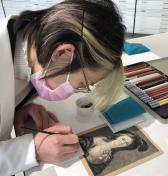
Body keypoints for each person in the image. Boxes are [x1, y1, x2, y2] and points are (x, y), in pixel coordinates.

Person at [0, 0, 125, 175]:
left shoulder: (31, 47)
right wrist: (31, 151)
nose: (76, 91)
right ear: (63, 53)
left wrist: (16, 108)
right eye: (82, 84)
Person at [79, 130, 148, 175]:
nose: (122, 142)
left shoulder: (110, 156)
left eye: (126, 143)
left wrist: (99, 162)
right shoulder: (99, 140)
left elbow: (95, 172)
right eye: (123, 139)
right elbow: (80, 144)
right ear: (119, 136)